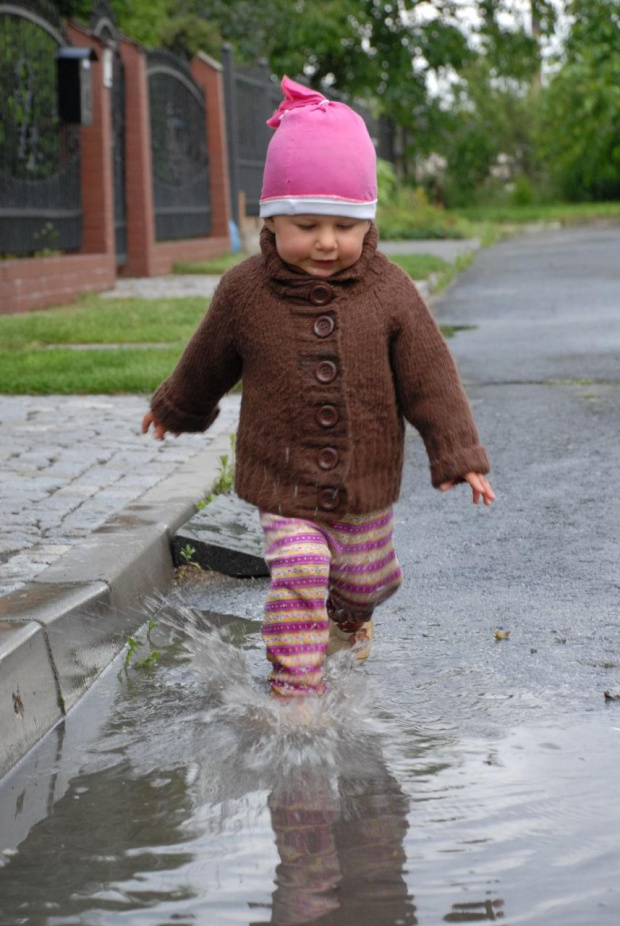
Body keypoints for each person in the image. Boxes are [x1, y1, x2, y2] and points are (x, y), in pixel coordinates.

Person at [142, 76, 495, 699]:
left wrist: (459, 454)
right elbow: (207, 361)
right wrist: (177, 405)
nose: (327, 242)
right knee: (302, 570)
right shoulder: (245, 292)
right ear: (271, 221)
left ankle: (352, 618)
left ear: (368, 222)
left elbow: (430, 377)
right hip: (282, 478)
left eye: (345, 225)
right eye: (306, 225)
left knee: (365, 582)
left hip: (365, 480)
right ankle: (293, 690)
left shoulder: (389, 291)